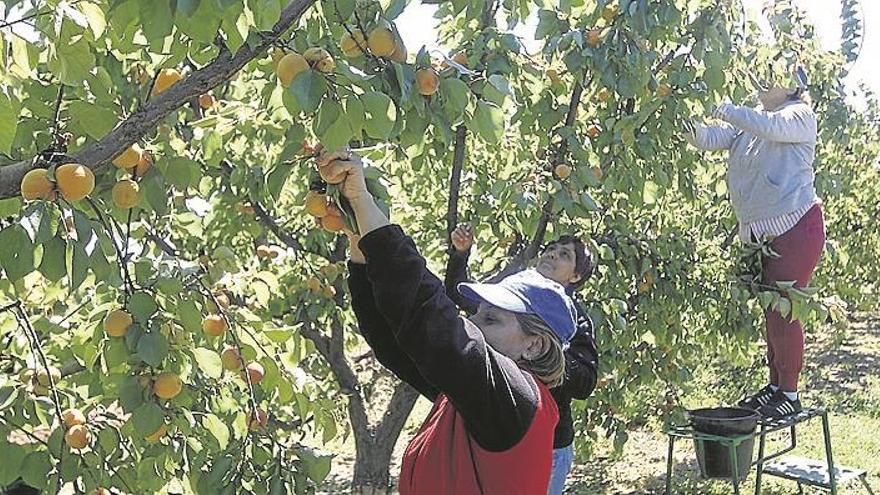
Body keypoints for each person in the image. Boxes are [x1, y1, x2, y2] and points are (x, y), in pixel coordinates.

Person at [318, 148, 579, 494]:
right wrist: (356, 231)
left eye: (492, 318)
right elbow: (392, 339)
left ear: (535, 343)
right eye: (476, 313)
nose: (473, 322)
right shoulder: (472, 395)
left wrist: (362, 199)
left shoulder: (517, 400)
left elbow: (435, 324)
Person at [683, 61, 824, 419]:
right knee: (772, 312)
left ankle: (790, 395)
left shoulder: (799, 114)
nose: (761, 81)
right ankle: (776, 386)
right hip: (762, 234)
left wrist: (725, 108)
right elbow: (710, 138)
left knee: (784, 312)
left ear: (792, 85)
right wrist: (682, 119)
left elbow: (770, 127)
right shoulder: (750, 123)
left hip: (795, 227)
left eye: (771, 74)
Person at [445, 224, 599, 495]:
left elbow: (585, 381)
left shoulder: (576, 321)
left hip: (548, 442)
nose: (552, 254)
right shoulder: (510, 296)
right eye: (550, 249)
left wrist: (545, 351)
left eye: (564, 254)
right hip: (496, 431)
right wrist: (460, 255)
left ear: (576, 276)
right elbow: (461, 297)